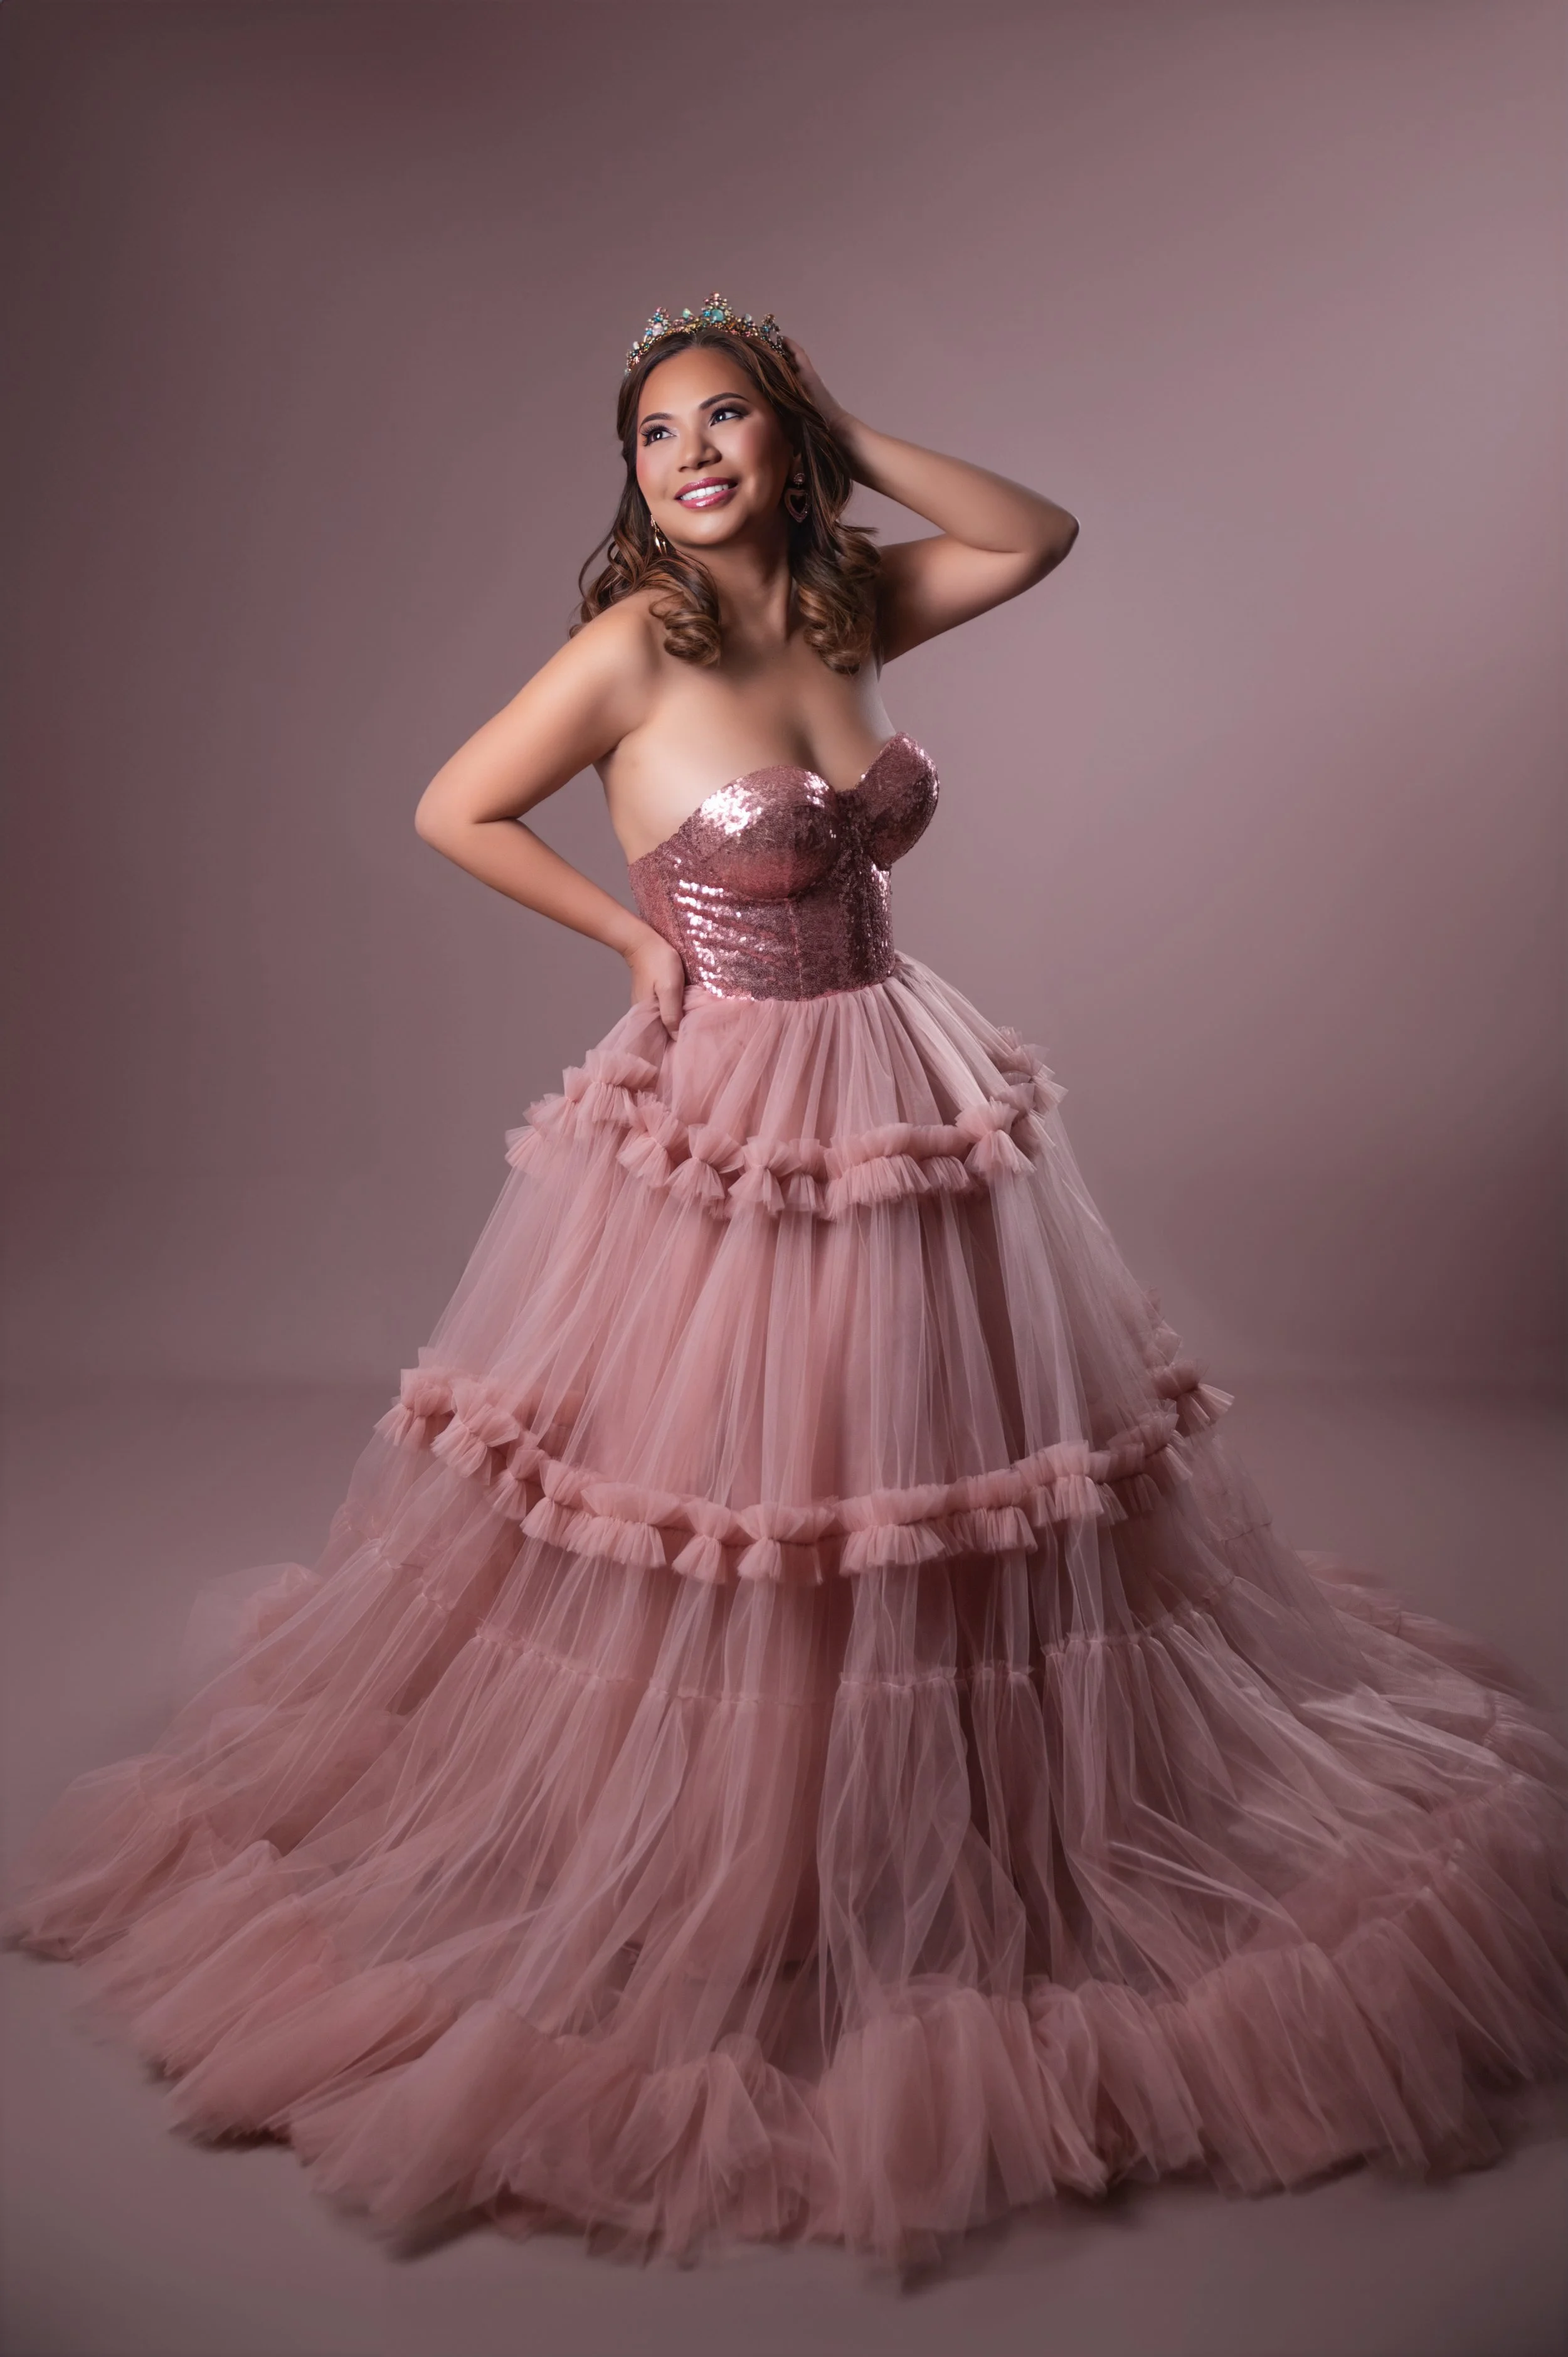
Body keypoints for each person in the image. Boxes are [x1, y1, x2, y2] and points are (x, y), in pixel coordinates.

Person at [9, 294, 1565, 2267]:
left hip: (903, 1078)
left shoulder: (843, 612)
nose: (694, 455)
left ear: (781, 439)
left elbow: (1033, 535)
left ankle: (947, 1808)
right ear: (637, 488)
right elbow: (453, 803)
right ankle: (747, 1834)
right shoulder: (627, 653)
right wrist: (632, 944)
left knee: (937, 1481)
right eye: (659, 434)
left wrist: (850, 423)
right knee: (743, 1506)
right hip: (736, 1115)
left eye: (728, 418)